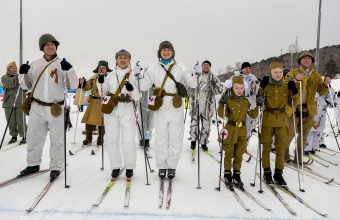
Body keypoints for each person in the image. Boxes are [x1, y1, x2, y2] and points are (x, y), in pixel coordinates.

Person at [18, 33, 78, 181]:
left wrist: (69, 70)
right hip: (37, 106)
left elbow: (74, 85)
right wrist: (23, 73)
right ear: (42, 48)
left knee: (57, 139)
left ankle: (56, 167)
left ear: (56, 47)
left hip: (56, 107)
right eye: (47, 45)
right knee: (34, 138)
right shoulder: (35, 64)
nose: (50, 46)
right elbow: (26, 85)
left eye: (52, 44)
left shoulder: (62, 64)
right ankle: (33, 164)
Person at [134, 41, 197, 179]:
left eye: (169, 50)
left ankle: (172, 166)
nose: (166, 52)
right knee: (161, 138)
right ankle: (162, 166)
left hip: (176, 105)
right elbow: (143, 87)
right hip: (161, 105)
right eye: (164, 50)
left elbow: (192, 83)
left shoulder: (180, 66)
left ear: (173, 52)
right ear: (159, 52)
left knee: (175, 138)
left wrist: (196, 74)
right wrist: (137, 76)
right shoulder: (154, 68)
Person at [284, 51, 331, 165]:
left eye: (309, 59)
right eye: (304, 58)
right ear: (300, 61)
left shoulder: (315, 75)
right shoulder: (292, 73)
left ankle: (298, 159)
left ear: (311, 61)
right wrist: (295, 81)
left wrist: (325, 84)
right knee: (289, 134)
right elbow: (284, 87)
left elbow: (322, 92)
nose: (307, 60)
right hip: (294, 108)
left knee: (304, 136)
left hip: (309, 109)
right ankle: (284, 157)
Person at [99, 49, 138, 179]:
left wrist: (132, 90)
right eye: (120, 57)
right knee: (111, 138)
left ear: (129, 60)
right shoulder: (110, 75)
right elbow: (103, 92)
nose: (122, 59)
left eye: (125, 58)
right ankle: (115, 166)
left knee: (128, 138)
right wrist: (100, 81)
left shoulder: (134, 76)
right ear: (116, 60)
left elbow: (138, 96)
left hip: (127, 107)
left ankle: (129, 166)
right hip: (112, 108)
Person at [258, 62, 298, 185]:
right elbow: (258, 100)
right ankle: (267, 172)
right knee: (266, 146)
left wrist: (294, 91)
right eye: (275, 72)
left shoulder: (286, 87)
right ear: (270, 72)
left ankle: (278, 173)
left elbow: (293, 103)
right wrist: (261, 87)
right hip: (268, 118)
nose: (278, 74)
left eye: (280, 72)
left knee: (281, 147)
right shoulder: (267, 86)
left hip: (281, 119)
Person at [218, 76, 258, 190]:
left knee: (239, 154)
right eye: (237, 88)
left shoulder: (246, 101)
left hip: (242, 131)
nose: (239, 90)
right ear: (232, 88)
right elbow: (221, 115)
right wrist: (221, 104)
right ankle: (227, 174)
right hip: (230, 129)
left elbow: (253, 115)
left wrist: (259, 106)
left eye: (241, 88)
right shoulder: (228, 100)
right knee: (229, 154)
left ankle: (236, 174)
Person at [188, 60, 224, 151]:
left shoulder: (214, 78)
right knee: (194, 124)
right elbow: (188, 88)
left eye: (208, 65)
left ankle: (203, 142)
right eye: (204, 65)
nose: (206, 66)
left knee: (206, 125)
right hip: (196, 104)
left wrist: (215, 85)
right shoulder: (196, 76)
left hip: (208, 106)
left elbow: (219, 91)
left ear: (210, 67)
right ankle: (193, 140)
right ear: (201, 66)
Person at [226, 62, 260, 146]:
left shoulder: (253, 77)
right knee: (235, 125)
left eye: (249, 68)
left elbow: (258, 90)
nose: (248, 70)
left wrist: (255, 88)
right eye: (246, 68)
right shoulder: (235, 77)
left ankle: (244, 144)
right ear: (242, 69)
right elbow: (229, 88)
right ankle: (232, 142)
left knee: (247, 126)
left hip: (249, 104)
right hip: (236, 105)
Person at [79, 61, 110, 146]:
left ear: (106, 69)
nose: (101, 69)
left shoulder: (110, 78)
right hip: (94, 101)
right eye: (100, 68)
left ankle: (100, 138)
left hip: (104, 102)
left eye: (103, 68)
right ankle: (88, 138)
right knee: (89, 121)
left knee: (102, 121)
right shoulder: (93, 78)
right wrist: (83, 83)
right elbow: (86, 87)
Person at [1, 62, 27, 145]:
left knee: (21, 120)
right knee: (11, 121)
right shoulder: (4, 78)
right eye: (13, 68)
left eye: (16, 68)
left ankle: (24, 135)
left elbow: (27, 86)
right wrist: (17, 78)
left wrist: (23, 75)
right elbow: (10, 85)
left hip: (20, 102)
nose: (15, 69)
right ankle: (14, 136)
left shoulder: (21, 77)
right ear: (9, 70)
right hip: (8, 103)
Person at [137, 64, 155, 149]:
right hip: (142, 106)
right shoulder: (141, 81)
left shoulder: (154, 81)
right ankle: (141, 139)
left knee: (150, 125)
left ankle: (147, 140)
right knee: (142, 124)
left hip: (152, 107)